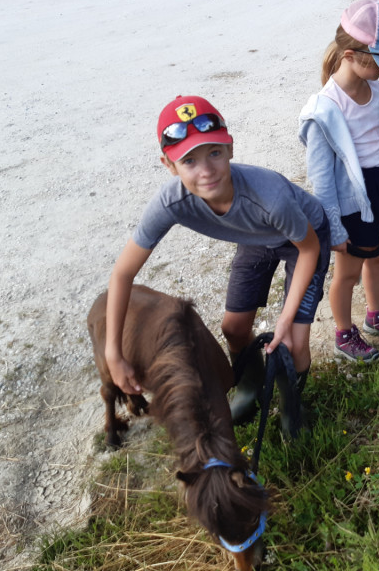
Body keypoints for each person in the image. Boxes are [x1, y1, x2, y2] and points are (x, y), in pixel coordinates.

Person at [105, 95, 330, 429]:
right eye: (189, 161)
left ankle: (291, 411)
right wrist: (113, 353)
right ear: (169, 165)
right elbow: (123, 273)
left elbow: (309, 248)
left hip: (303, 237)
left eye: (214, 152)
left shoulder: (271, 198)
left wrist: (284, 319)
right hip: (256, 239)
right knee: (233, 328)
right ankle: (250, 388)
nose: (207, 171)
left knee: (294, 341)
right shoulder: (171, 204)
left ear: (230, 150)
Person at [299, 0, 379, 363]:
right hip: (353, 202)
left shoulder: (375, 91)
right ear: (351, 55)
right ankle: (344, 331)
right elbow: (321, 179)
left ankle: (376, 315)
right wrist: (334, 227)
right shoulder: (324, 111)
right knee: (348, 271)